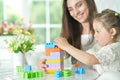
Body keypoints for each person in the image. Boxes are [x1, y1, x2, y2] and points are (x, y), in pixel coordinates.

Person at [54, 9, 120, 79]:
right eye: (94, 31)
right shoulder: (99, 46)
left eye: (98, 31)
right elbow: (84, 56)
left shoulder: (114, 49)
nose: (95, 35)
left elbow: (90, 59)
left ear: (112, 32)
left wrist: (67, 46)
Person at [39, 0, 97, 72]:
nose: (76, 12)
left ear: (89, 2)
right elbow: (65, 59)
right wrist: (46, 62)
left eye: (79, 5)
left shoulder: (103, 30)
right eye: (71, 9)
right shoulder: (70, 33)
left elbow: (96, 59)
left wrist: (67, 46)